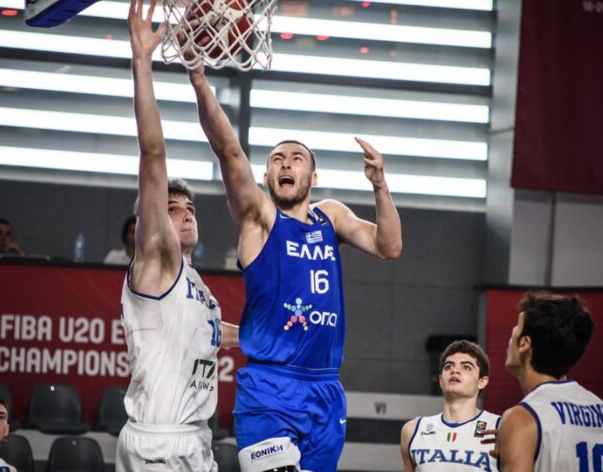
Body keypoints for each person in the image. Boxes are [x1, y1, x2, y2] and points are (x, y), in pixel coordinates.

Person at [188, 53, 402, 471]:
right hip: (270, 386)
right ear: (267, 179)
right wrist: (199, 81)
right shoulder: (260, 219)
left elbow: (389, 246)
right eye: (277, 160)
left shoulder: (331, 216)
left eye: (296, 158)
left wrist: (380, 185)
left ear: (313, 178)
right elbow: (228, 151)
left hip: (325, 388)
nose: (286, 163)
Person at [115, 2, 238, 470]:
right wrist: (142, 62)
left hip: (195, 439)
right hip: (158, 443)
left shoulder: (196, 284)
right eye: (172, 210)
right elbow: (153, 155)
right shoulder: (157, 261)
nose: (185, 215)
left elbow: (213, 332)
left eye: (190, 209)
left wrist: (270, 336)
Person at [496, 292, 603, 470]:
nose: (509, 341)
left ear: (524, 344)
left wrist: (515, 437)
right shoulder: (601, 409)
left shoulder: (522, 418)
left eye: (514, 331)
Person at [400, 340, 499, 472]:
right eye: (448, 366)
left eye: (466, 367)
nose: (455, 370)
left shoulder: (499, 428)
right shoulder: (413, 430)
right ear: (441, 381)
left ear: (482, 382)